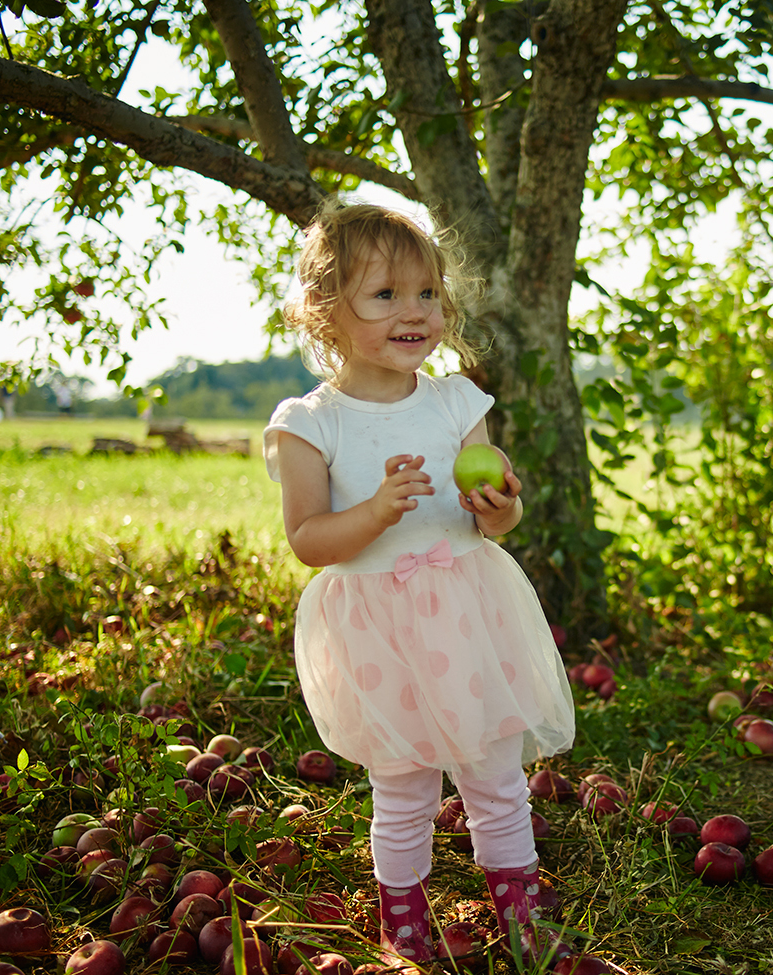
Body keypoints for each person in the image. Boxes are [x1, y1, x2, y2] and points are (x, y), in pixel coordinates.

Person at [263, 201, 575, 967]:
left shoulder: (456, 403)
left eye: (427, 294)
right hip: (379, 629)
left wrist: (501, 505)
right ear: (323, 311)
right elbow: (308, 540)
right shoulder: (311, 423)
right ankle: (402, 921)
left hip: (469, 612)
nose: (415, 313)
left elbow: (491, 524)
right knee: (403, 783)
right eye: (385, 295)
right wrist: (373, 510)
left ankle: (521, 911)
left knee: (495, 771)